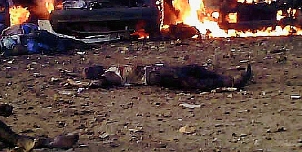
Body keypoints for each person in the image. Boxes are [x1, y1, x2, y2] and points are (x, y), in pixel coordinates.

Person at [82, 62, 253, 91]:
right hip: (154, 76)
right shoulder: (109, 75)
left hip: (156, 70)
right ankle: (231, 83)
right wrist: (89, 84)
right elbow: (101, 83)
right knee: (189, 82)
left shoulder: (111, 68)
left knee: (193, 69)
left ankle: (225, 79)